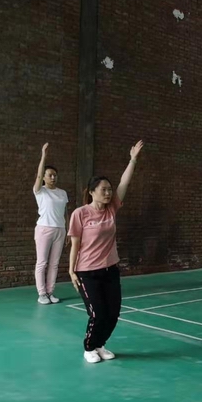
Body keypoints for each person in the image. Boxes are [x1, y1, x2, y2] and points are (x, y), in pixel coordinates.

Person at [68, 140, 144, 364]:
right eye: (104, 190)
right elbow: (75, 245)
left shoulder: (112, 209)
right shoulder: (80, 214)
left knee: (113, 313)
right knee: (97, 313)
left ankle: (100, 344)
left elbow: (124, 182)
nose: (109, 193)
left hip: (110, 270)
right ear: (92, 192)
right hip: (87, 272)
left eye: (110, 190)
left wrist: (133, 160)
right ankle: (89, 347)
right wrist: (71, 271)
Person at [33, 143, 69, 305]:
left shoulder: (62, 193)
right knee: (42, 262)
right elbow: (38, 175)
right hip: (44, 229)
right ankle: (42, 294)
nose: (53, 177)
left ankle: (50, 292)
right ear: (44, 177)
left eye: (55, 175)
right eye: (50, 175)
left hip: (60, 230)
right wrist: (43, 156)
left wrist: (68, 230)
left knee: (54, 264)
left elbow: (65, 212)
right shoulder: (40, 191)